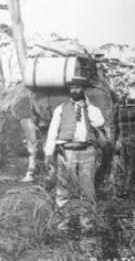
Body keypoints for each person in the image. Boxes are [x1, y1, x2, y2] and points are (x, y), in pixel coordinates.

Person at [44, 78, 108, 231]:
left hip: (87, 152)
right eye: (71, 88)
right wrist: (48, 154)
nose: (74, 91)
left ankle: (87, 224)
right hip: (66, 153)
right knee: (64, 189)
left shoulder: (92, 109)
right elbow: (52, 132)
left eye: (77, 88)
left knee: (87, 190)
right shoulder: (61, 109)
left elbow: (99, 123)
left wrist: (87, 107)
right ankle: (63, 224)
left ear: (83, 89)